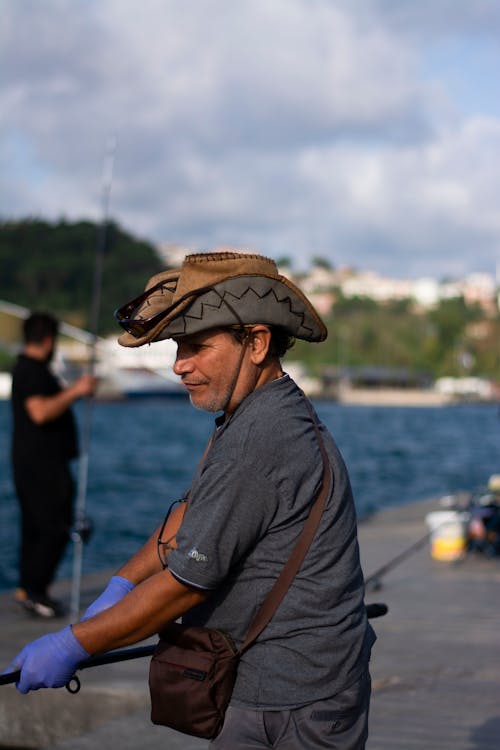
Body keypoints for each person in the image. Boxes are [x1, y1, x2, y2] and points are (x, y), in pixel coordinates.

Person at [5, 252, 376, 749]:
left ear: (257, 343)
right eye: (179, 347)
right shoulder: (254, 412)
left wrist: (73, 644)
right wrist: (120, 584)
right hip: (273, 684)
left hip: (298, 701)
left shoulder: (261, 438)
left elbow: (184, 585)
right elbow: (189, 516)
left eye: (197, 347)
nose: (179, 365)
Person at [10, 312, 97, 618]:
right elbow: (40, 413)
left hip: (36, 464)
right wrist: (77, 390)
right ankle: (35, 592)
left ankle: (32, 589)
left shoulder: (28, 368)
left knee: (37, 528)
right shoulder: (32, 370)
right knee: (52, 528)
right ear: (49, 340)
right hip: (42, 466)